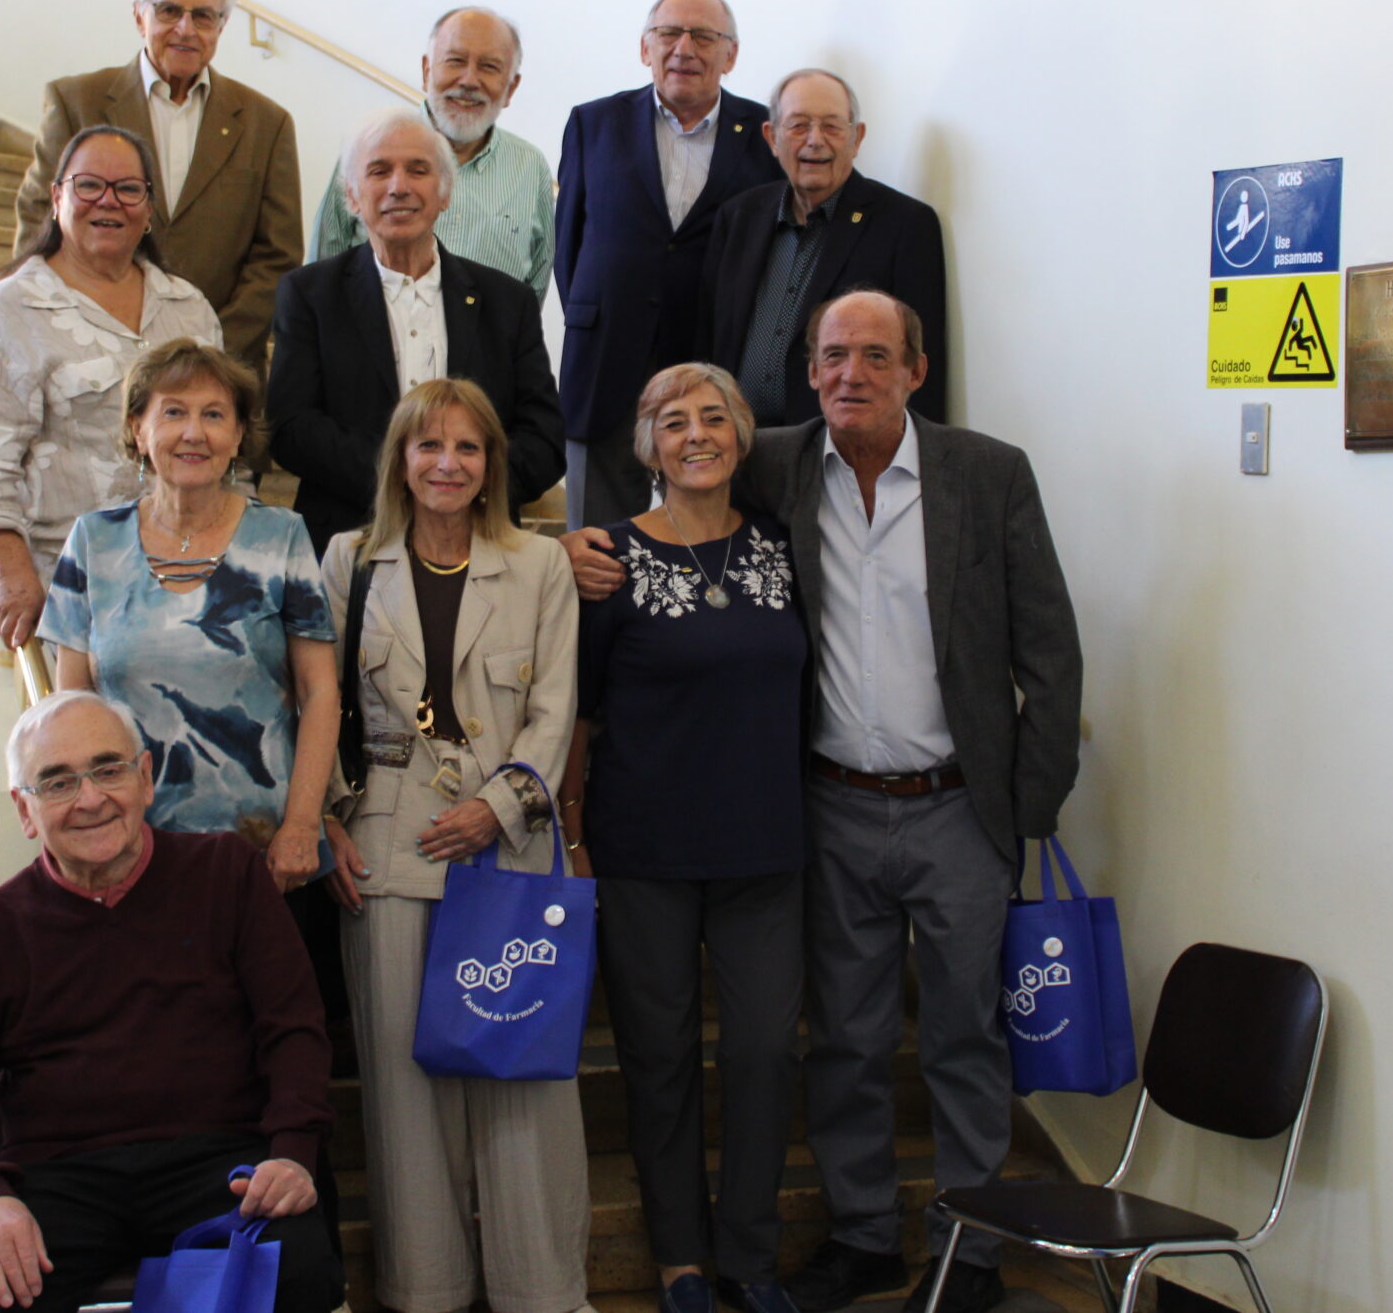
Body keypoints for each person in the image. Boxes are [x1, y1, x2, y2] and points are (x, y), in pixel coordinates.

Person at [565, 290, 1084, 1313]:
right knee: (845, 1038)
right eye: (833, 355)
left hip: (957, 805)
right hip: (831, 806)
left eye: (875, 356)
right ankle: (860, 1235)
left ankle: (969, 1245)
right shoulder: (782, 464)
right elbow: (668, 479)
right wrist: (562, 547)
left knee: (963, 1037)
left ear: (915, 370)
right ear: (808, 370)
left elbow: (1050, 649)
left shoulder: (987, 474)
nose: (852, 373)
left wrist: (1028, 806)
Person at [0, 690, 343, 1313]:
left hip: (222, 1162)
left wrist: (292, 1155)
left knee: (298, 1271)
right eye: (57, 783)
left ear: (145, 780)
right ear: (25, 810)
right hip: (59, 1178)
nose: (91, 799)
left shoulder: (229, 875)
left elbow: (295, 1031)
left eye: (108, 770)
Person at [321, 378, 586, 1313]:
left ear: (491, 468)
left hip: (502, 842)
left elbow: (556, 707)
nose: (447, 463)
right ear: (400, 458)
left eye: (467, 448)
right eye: (428, 445)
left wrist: (505, 803)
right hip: (387, 840)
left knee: (519, 1073)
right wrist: (330, 821)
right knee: (401, 1081)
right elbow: (321, 708)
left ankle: (541, 1289)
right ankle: (424, 1286)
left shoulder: (539, 563)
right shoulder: (350, 559)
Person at [565, 364, 810, 1313]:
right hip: (641, 850)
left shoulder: (787, 549)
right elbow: (578, 715)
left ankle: (750, 1253)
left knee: (760, 1052)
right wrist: (578, 836)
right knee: (658, 1057)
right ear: (648, 445)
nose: (696, 434)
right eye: (675, 421)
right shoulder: (605, 561)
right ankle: (680, 1260)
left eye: (715, 417)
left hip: (766, 848)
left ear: (744, 438)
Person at [40, 337, 338, 870]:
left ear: (238, 434)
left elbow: (319, 692)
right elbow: (73, 708)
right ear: (138, 429)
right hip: (128, 849)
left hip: (264, 853)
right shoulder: (92, 542)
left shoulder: (282, 536)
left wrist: (302, 824)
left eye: (215, 415)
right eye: (173, 412)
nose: (194, 433)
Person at [0, 125, 221, 649]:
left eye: (128, 189)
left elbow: (222, 439)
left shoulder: (189, 308)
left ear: (148, 209)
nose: (109, 201)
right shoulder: (11, 311)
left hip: (192, 590)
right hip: (74, 601)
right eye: (88, 185)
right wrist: (13, 578)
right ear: (56, 198)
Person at [271, 110, 564, 553]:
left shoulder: (507, 301)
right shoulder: (309, 294)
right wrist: (407, 480)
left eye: (418, 170)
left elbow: (544, 441)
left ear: (445, 194)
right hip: (349, 542)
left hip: (482, 541)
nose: (399, 186)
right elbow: (291, 429)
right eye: (379, 170)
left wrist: (461, 486)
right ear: (351, 196)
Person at [12, 0, 300, 377]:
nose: (185, 28)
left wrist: (206, 349)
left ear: (221, 26)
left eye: (203, 16)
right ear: (139, 16)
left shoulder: (267, 124)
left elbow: (276, 258)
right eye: (169, 11)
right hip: (84, 367)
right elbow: (40, 221)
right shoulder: (76, 103)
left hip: (217, 381)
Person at [553, 0, 780, 529]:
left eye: (704, 36)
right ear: (644, 47)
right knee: (596, 539)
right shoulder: (593, 123)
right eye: (669, 33)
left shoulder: (765, 135)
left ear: (731, 54)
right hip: (605, 357)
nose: (685, 48)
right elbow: (570, 248)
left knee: (705, 528)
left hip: (710, 360)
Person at [701, 69, 948, 426]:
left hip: (840, 449)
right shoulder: (738, 217)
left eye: (832, 127)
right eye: (798, 126)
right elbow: (707, 339)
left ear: (857, 138)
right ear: (772, 137)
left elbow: (922, 365)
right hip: (738, 446)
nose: (815, 141)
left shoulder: (906, 225)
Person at [309, 7, 555, 300]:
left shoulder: (530, 167)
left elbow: (535, 284)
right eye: (455, 61)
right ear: (427, 72)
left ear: (511, 87)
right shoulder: (366, 149)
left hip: (486, 346)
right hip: (373, 342)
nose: (468, 80)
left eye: (489, 67)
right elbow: (322, 271)